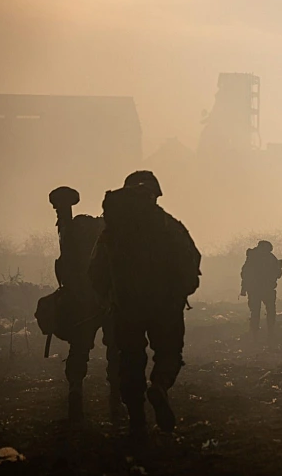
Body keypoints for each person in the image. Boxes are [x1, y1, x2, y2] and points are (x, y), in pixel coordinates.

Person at [90, 177, 201, 437]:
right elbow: (190, 260)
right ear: (155, 195)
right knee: (169, 353)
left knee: (130, 360)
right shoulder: (168, 225)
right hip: (165, 306)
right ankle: (160, 385)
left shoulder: (113, 230)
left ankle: (137, 419)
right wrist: (181, 292)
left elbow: (95, 270)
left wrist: (109, 298)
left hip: (126, 307)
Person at [48, 186, 120, 422]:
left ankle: (76, 389)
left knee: (79, 348)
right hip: (107, 300)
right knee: (114, 349)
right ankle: (116, 394)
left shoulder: (68, 232)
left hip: (82, 300)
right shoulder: (108, 233)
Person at [240, 240, 282, 341]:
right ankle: (267, 333)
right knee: (267, 311)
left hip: (258, 289)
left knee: (257, 311)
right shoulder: (270, 258)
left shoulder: (253, 258)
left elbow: (245, 274)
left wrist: (244, 288)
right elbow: (278, 274)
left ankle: (257, 333)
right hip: (264, 289)